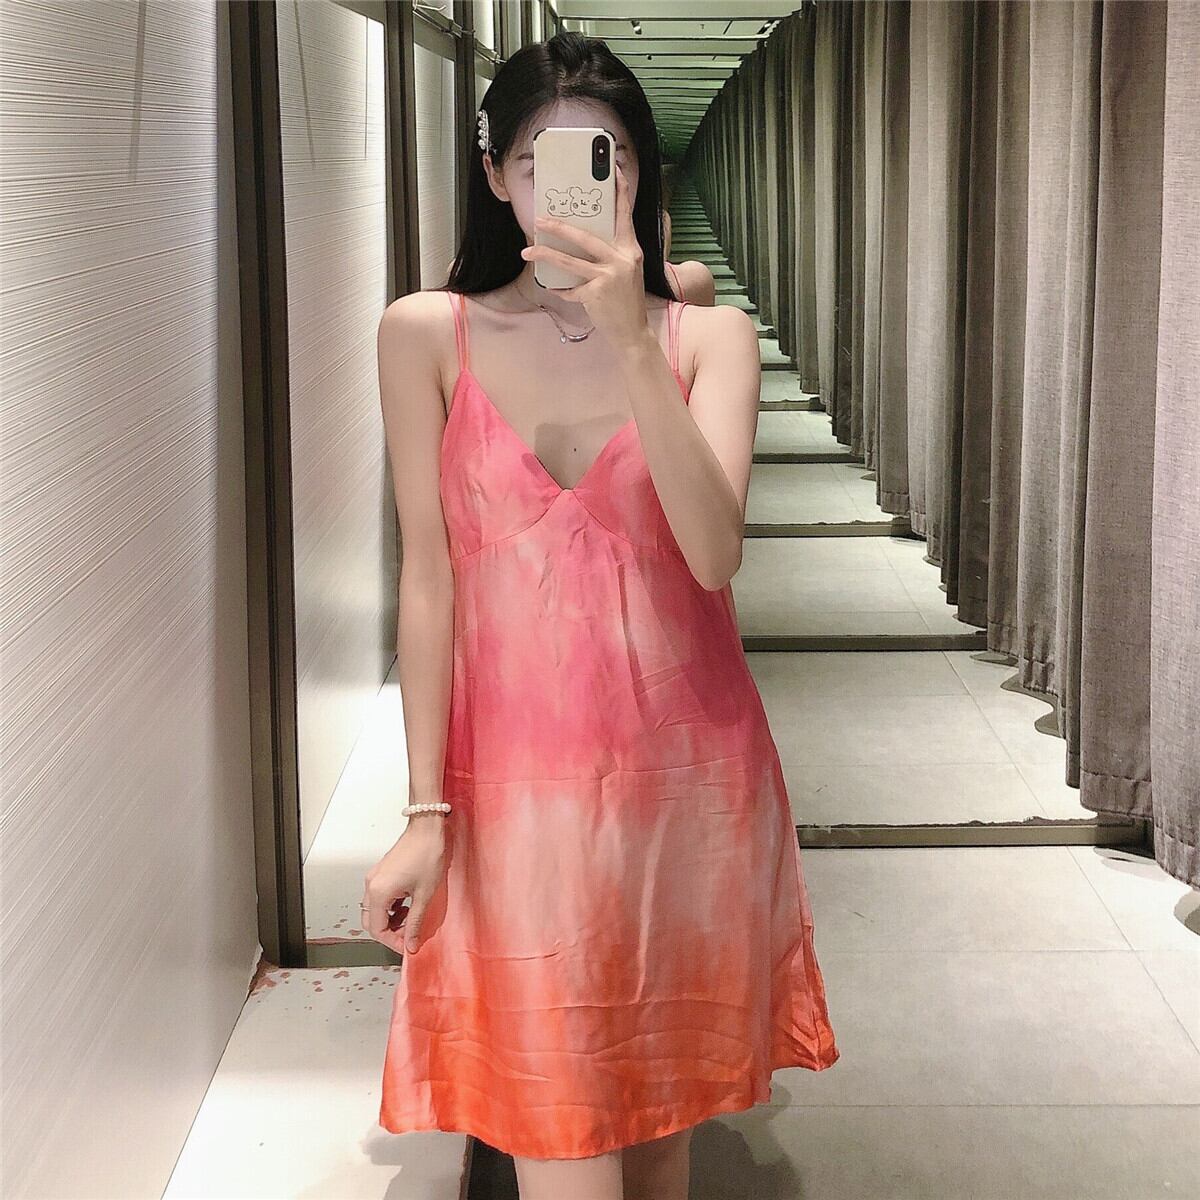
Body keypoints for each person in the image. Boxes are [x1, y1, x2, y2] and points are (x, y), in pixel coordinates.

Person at [365, 31, 839, 1200]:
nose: (572, 185)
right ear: (496, 174)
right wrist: (425, 809)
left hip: (687, 793)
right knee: (565, 1148)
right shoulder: (426, 333)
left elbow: (712, 552)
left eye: (606, 158)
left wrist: (633, 338)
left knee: (658, 1142)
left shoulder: (706, 339)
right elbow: (430, 579)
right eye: (539, 160)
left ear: (639, 173)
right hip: (514, 804)